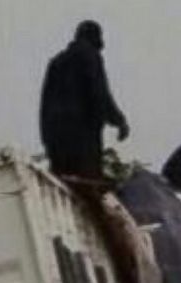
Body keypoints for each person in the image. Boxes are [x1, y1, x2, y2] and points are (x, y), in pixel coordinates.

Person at [39, 20, 130, 179]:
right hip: (82, 138)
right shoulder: (90, 56)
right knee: (87, 183)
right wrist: (120, 121)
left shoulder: (56, 62)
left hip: (56, 139)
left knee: (63, 182)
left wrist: (46, 139)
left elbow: (44, 106)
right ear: (95, 37)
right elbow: (100, 93)